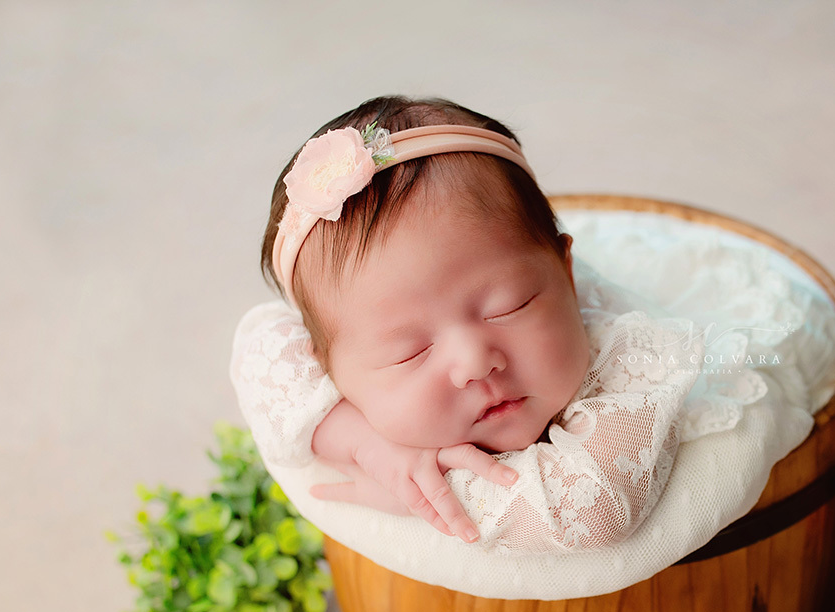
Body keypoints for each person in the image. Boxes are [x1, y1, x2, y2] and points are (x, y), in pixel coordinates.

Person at [231, 95, 775, 554]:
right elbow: (260, 349)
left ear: (566, 273)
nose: (474, 361)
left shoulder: (630, 362)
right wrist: (368, 447)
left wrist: (430, 493)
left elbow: (597, 510)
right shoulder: (330, 344)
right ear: (328, 367)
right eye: (409, 351)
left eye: (508, 306)